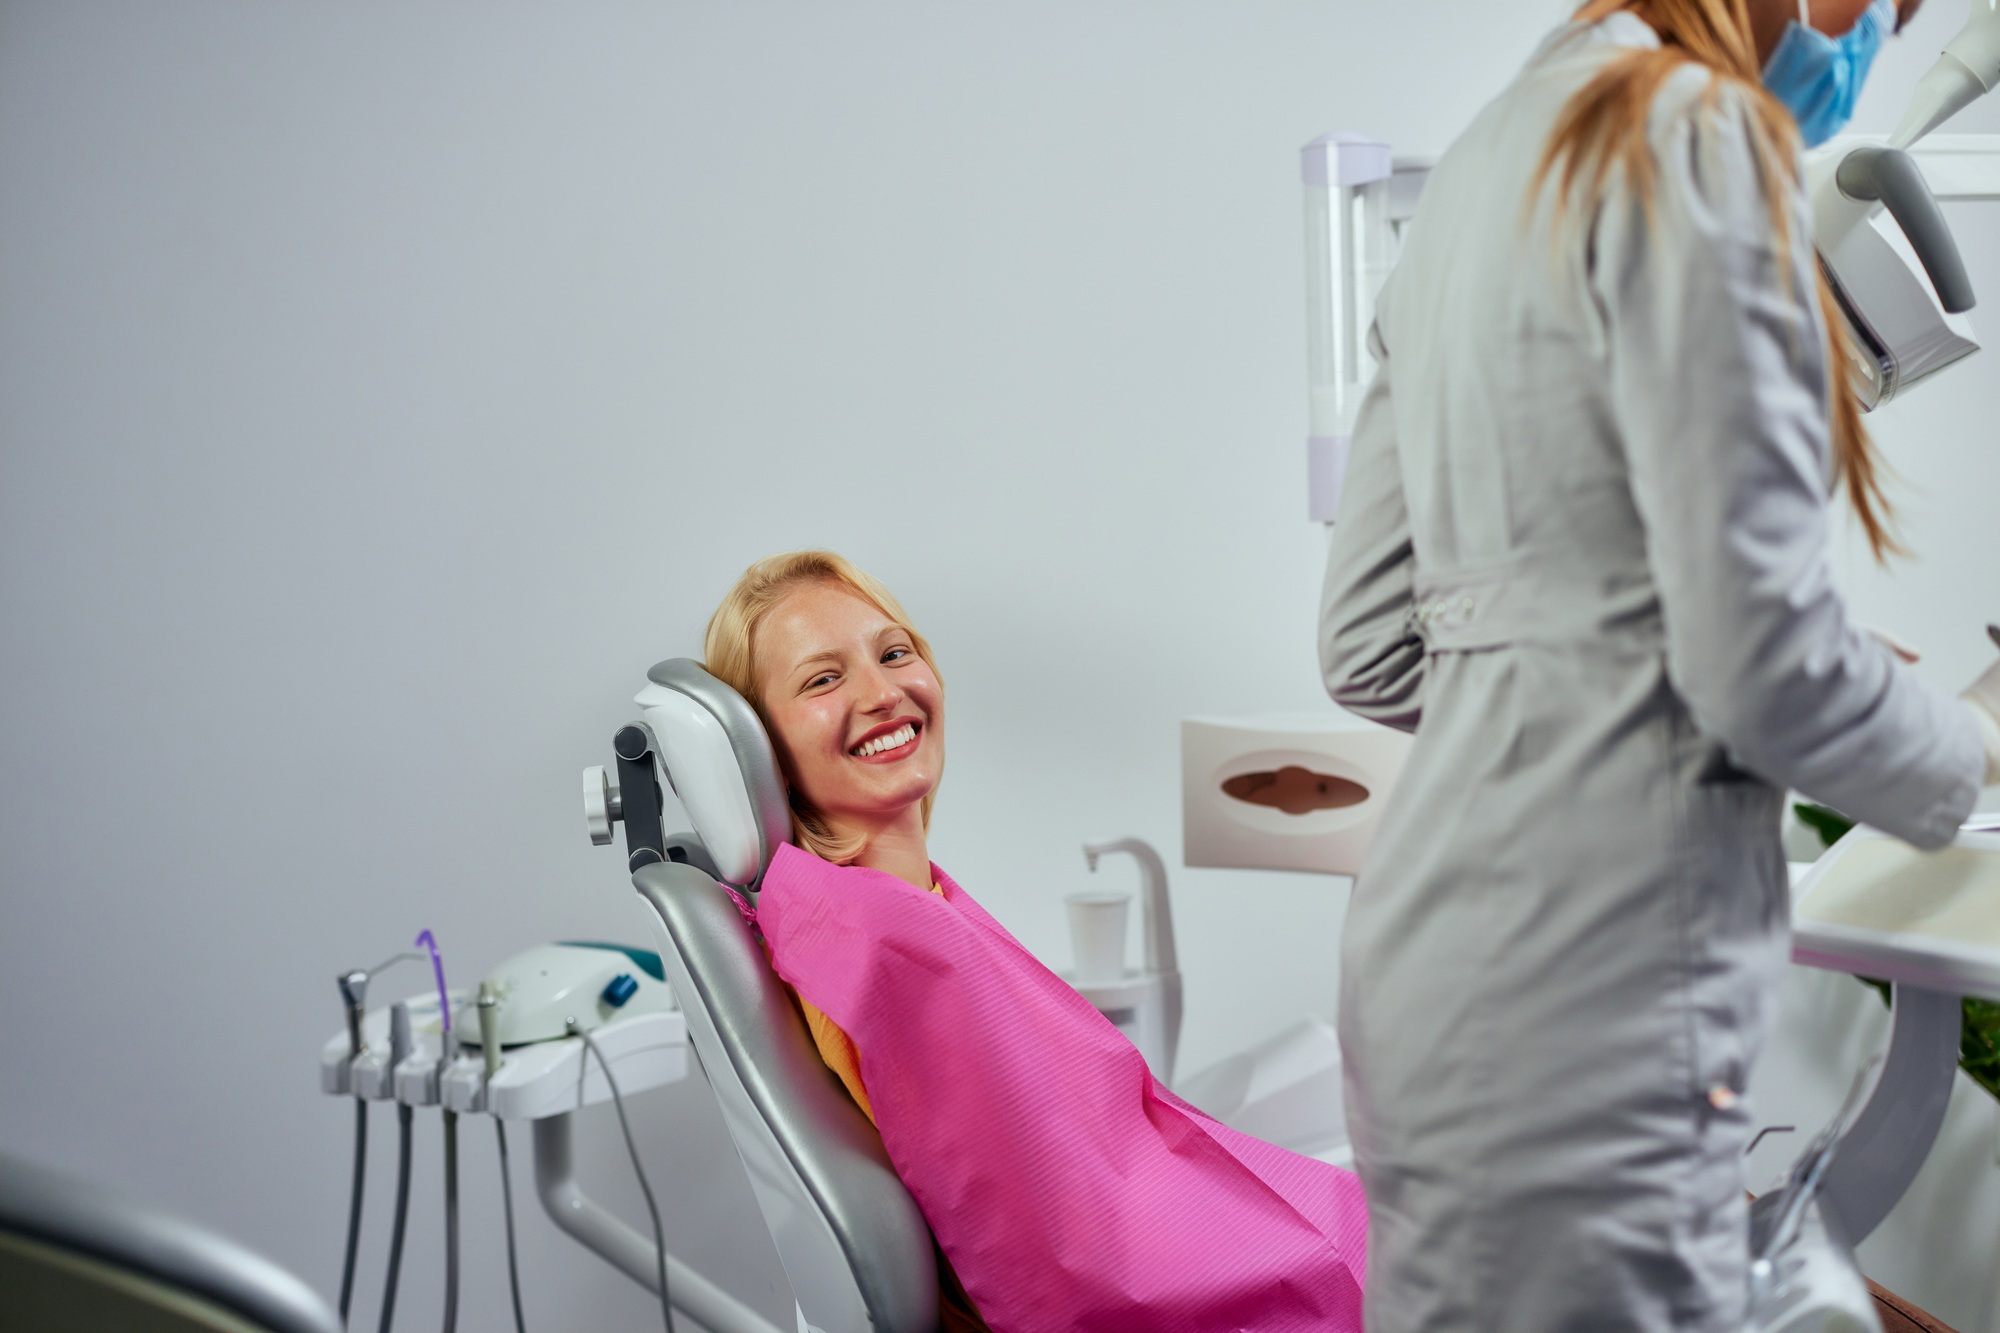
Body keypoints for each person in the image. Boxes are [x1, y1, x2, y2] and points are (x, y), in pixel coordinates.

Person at [1318, 1, 2000, 1330]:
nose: (1881, 38)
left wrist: (1639, 662)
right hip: (1592, 1000)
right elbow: (1758, 671)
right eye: (1890, 6)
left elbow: (1365, 644)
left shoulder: (1481, 163)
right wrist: (1972, 737)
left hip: (1424, 985)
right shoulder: (1690, 133)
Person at [701, 550, 1371, 1333]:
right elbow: (1074, 1265)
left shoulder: (898, 906)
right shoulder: (884, 944)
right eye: (822, 679)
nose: (883, 693)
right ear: (760, 751)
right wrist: (1336, 1259)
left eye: (894, 652)